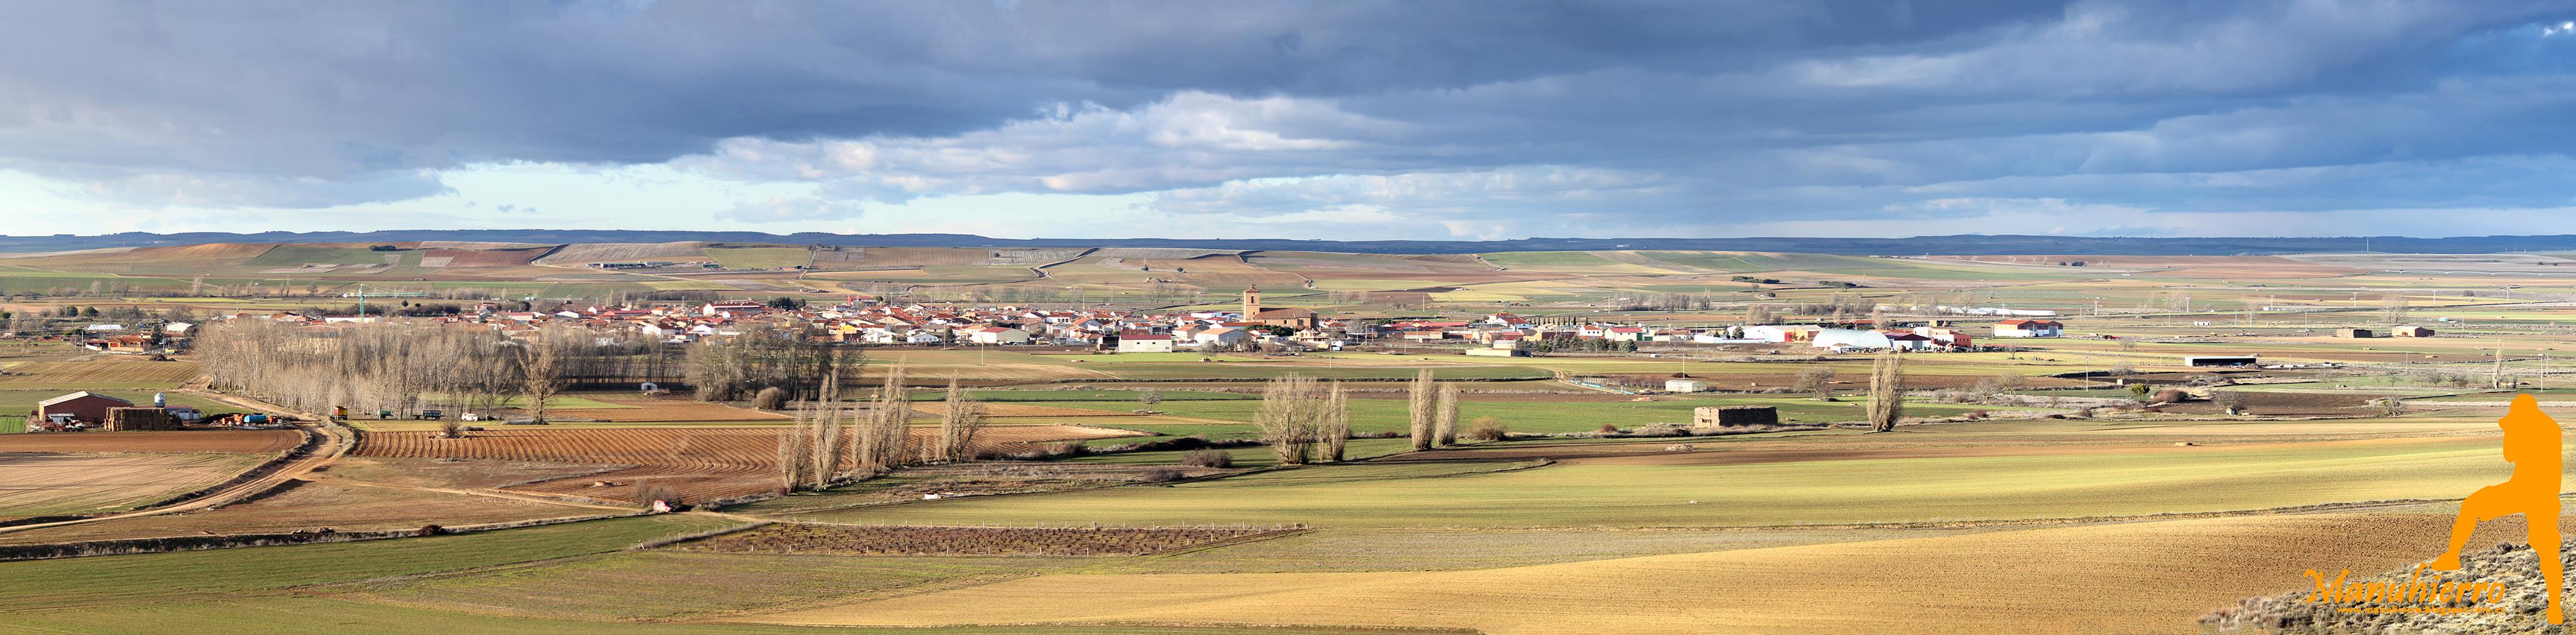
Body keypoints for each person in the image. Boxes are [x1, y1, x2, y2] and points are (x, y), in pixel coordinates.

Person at [2431, 394, 2562, 624]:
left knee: (2470, 505)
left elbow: (2509, 455)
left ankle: (2452, 556)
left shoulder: (2525, 427)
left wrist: (2509, 429)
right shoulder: (2551, 426)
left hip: (2523, 490)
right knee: (2548, 552)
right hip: (2546, 496)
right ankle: (2555, 607)